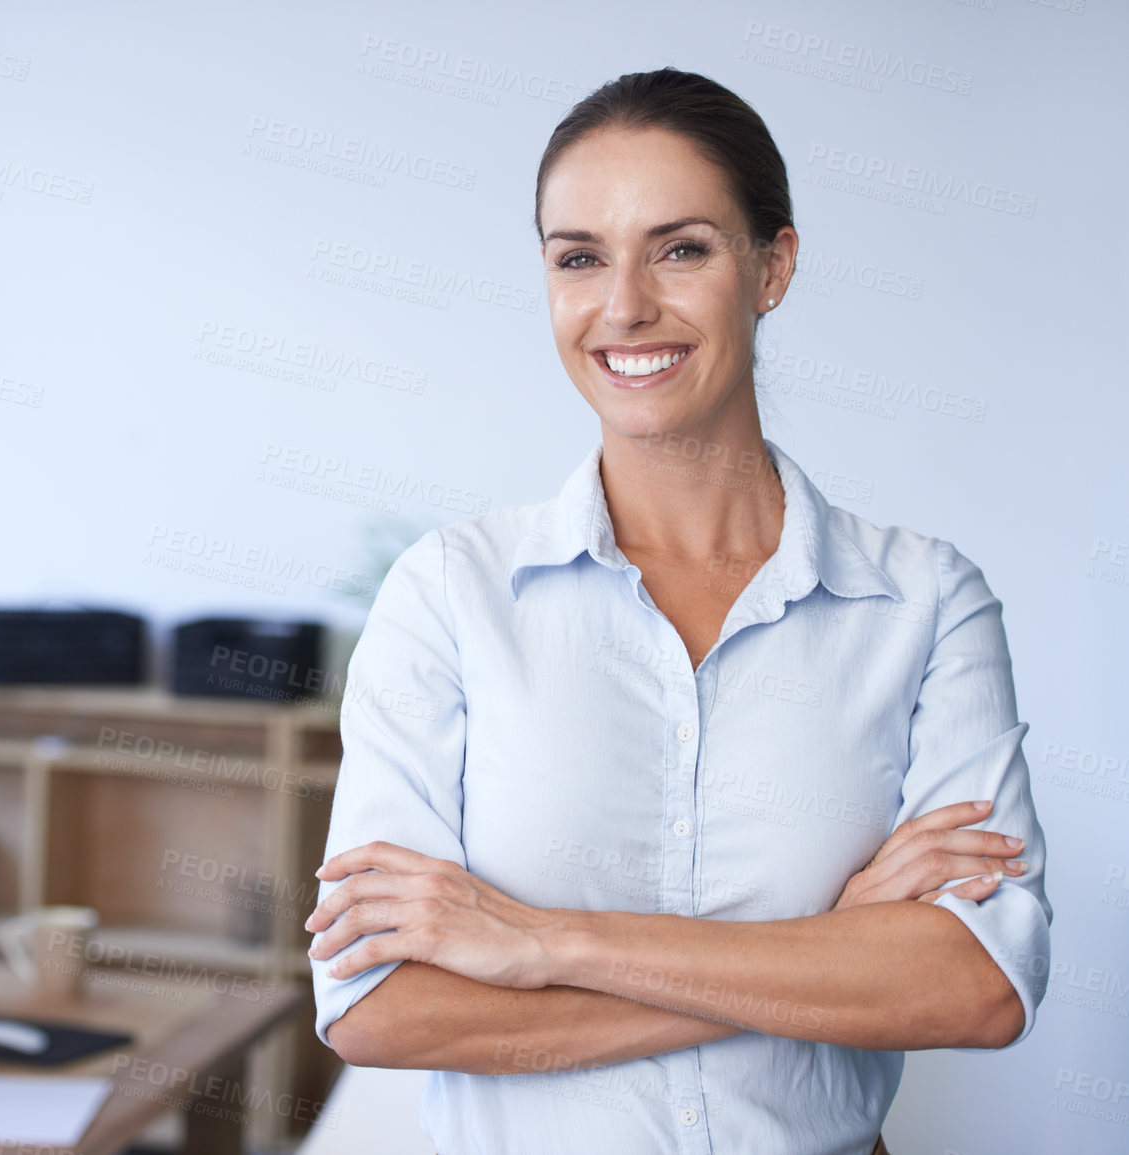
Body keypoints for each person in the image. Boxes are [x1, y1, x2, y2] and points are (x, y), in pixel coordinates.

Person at [305, 68, 1051, 1155]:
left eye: (681, 247)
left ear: (773, 266)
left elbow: (977, 988)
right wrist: (827, 949)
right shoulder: (450, 597)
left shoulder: (926, 605)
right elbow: (375, 1007)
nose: (623, 307)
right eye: (579, 259)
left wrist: (541, 944)